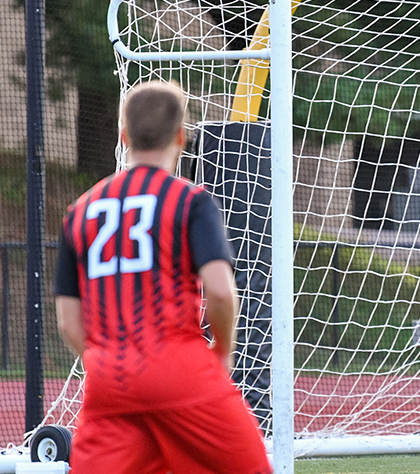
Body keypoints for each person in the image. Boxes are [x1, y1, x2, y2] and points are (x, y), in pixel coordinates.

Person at [53, 81, 272, 474]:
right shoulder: (191, 201)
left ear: (123, 136)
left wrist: (107, 361)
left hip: (109, 381)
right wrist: (221, 352)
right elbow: (221, 293)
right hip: (179, 369)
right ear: (182, 137)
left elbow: (69, 321)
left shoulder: (79, 212)